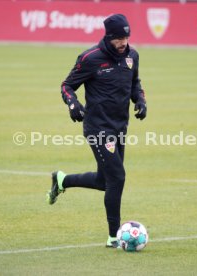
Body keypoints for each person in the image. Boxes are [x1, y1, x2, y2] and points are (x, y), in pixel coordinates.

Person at [47, 14, 147, 248]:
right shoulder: (91, 58)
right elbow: (67, 85)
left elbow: (135, 83)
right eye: (119, 38)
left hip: (120, 127)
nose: (124, 42)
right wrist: (72, 103)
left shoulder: (132, 56)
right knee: (117, 177)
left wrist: (140, 100)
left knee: (105, 181)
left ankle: (62, 180)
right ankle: (115, 236)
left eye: (126, 37)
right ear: (109, 36)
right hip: (98, 128)